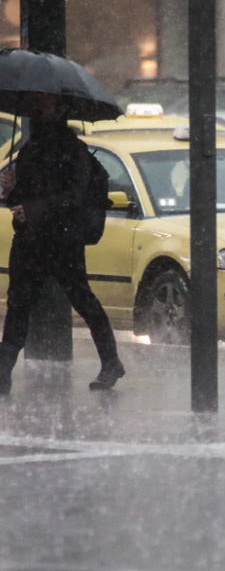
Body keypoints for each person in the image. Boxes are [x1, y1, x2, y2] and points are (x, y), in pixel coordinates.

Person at [0, 93, 124, 392]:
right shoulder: (30, 149)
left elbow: (74, 198)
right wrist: (11, 191)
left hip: (62, 241)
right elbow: (24, 201)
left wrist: (33, 208)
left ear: (61, 110)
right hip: (30, 241)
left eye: (44, 105)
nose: (37, 110)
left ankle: (111, 362)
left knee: (82, 299)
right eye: (36, 104)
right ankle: (3, 373)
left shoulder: (74, 152)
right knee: (18, 306)